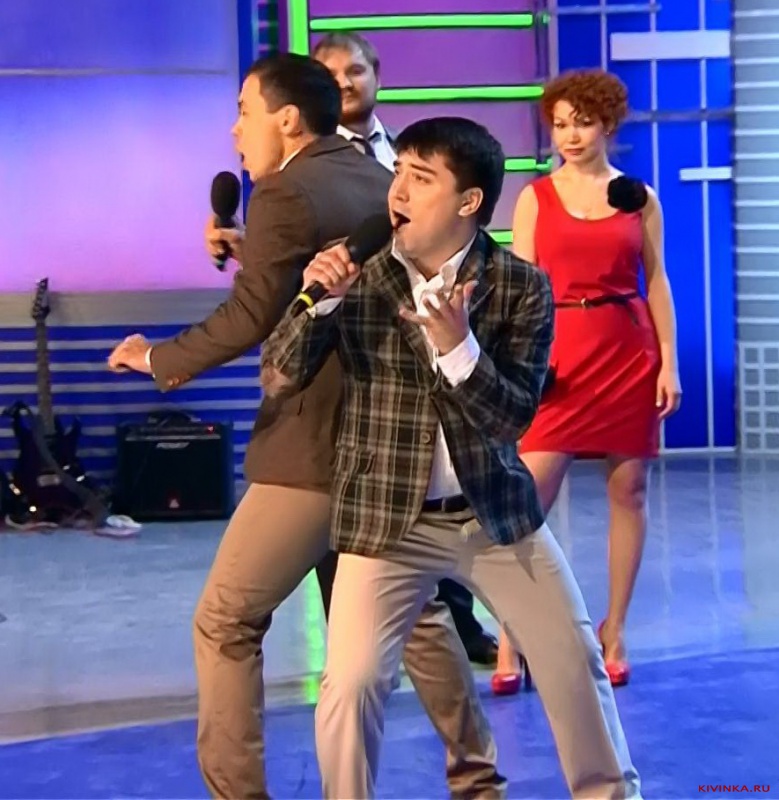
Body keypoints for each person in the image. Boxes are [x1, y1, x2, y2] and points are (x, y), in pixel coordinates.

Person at [107, 55, 502, 799]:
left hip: (314, 449)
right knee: (412, 614)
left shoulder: (285, 191)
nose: (234, 130)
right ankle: (478, 779)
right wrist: (254, 250)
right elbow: (316, 275)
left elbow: (253, 316)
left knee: (226, 620)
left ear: (287, 119)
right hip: (386, 444)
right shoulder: (370, 177)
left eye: (243, 110)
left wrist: (156, 356)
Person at [261, 116, 641, 799]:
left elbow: (514, 418)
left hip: (490, 515)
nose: (398, 191)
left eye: (420, 178)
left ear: (469, 201)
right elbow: (279, 377)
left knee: (572, 663)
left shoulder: (520, 285)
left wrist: (459, 348)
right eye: (398, 173)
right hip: (387, 523)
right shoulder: (359, 273)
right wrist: (317, 306)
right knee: (349, 684)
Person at [313, 29, 499, 667]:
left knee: (448, 474)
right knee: (372, 513)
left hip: (436, 343)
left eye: (354, 70)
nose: (344, 83)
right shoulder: (308, 164)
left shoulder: (411, 151)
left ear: (376, 75)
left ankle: (461, 627)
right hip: (354, 349)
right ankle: (359, 652)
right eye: (330, 75)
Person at [493, 68, 682, 692]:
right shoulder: (535, 197)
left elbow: (656, 281)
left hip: (627, 349)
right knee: (525, 497)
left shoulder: (638, 197)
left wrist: (669, 362)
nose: (570, 135)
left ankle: (616, 630)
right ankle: (512, 636)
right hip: (559, 355)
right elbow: (521, 285)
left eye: (583, 122)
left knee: (630, 491)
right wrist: (518, 361)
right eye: (560, 124)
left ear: (608, 125)